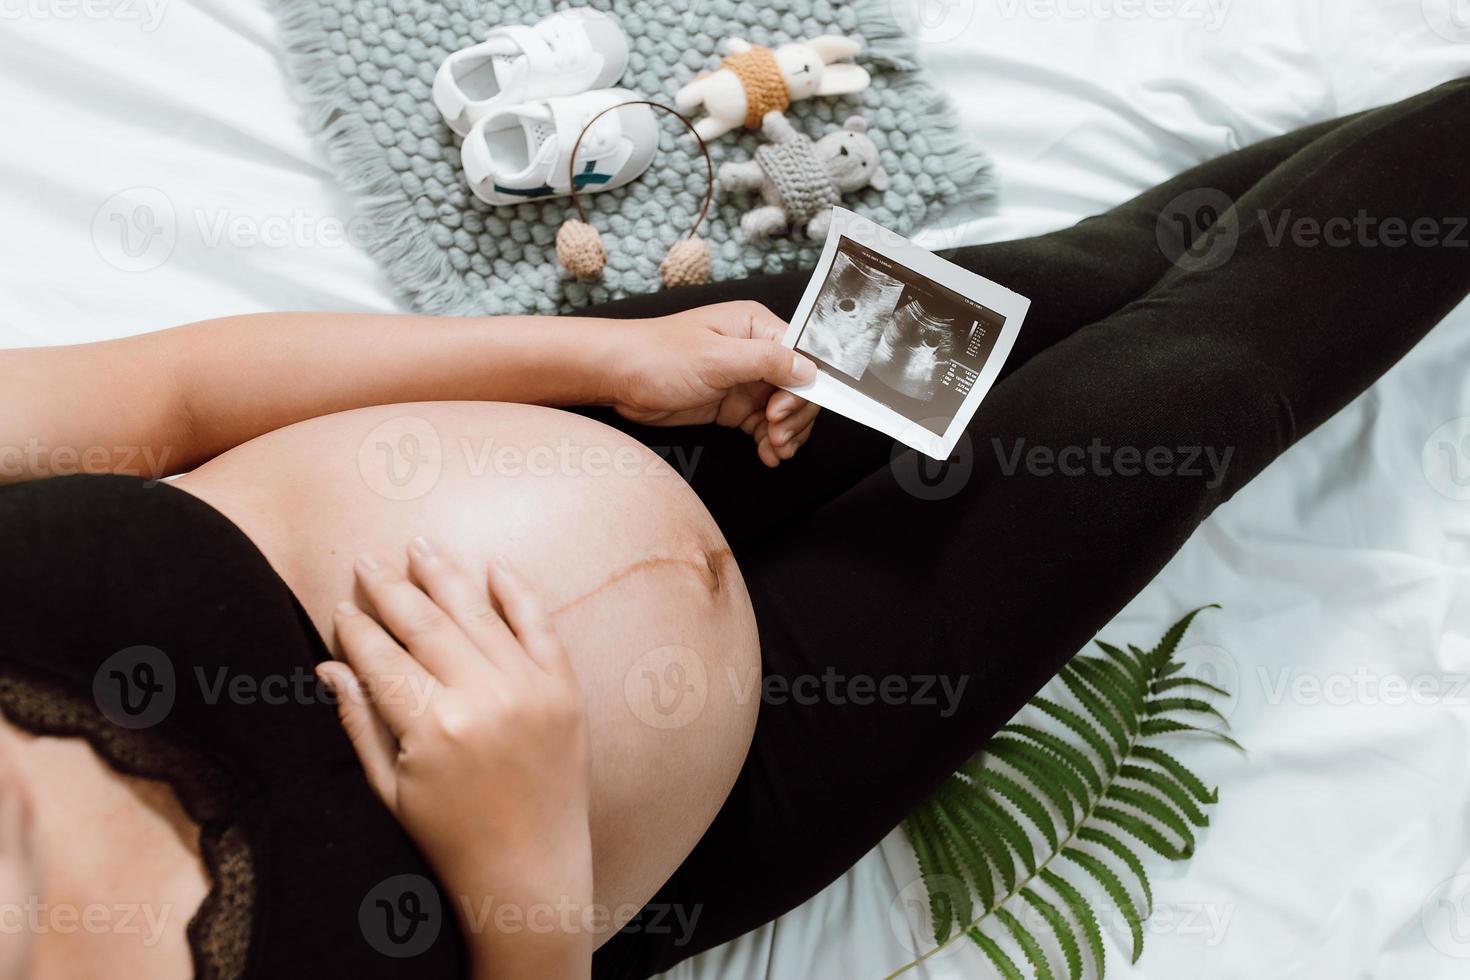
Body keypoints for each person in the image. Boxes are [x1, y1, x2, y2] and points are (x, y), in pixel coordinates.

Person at [1, 76, 1467, 979]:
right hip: (735, 784)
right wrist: (524, 878)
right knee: (1183, 390)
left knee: (1069, 282)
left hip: (627, 402)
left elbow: (169, 393)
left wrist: (611, 360)